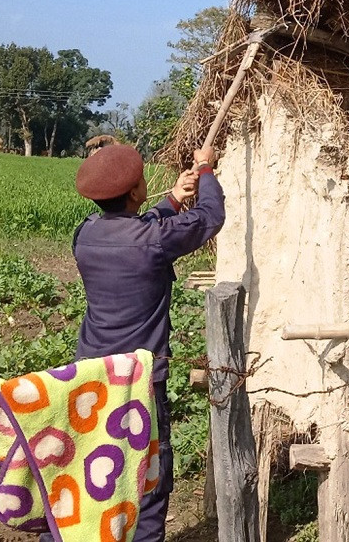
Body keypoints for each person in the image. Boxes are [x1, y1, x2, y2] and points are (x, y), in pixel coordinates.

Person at [66, 143, 225, 542]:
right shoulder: (153, 241)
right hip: (139, 383)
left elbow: (138, 229)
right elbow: (210, 217)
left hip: (92, 376)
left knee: (98, 467)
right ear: (136, 191)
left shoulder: (85, 234)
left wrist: (172, 198)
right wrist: (205, 170)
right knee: (149, 474)